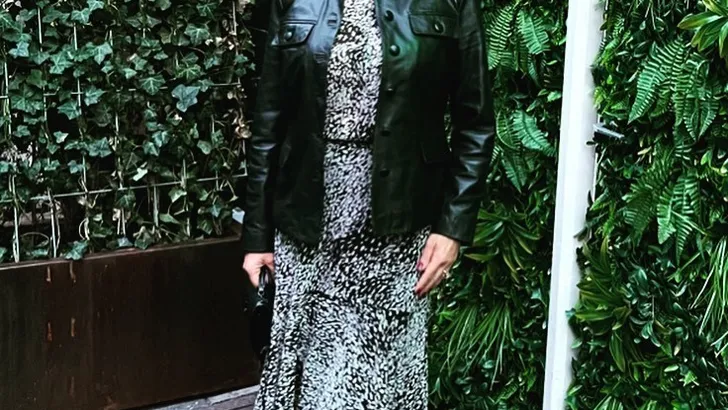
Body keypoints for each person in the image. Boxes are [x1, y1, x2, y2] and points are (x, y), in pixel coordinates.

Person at [241, 0, 494, 407]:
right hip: (307, 226)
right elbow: (268, 124)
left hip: (397, 230)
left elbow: (476, 125)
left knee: (377, 385)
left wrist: (452, 228)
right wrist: (257, 237)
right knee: (306, 382)